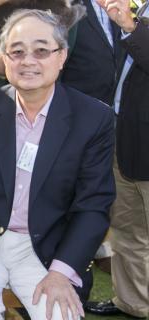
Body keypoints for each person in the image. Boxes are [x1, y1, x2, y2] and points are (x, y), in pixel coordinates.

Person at [0, 9, 116, 320]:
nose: (28, 61)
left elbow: (93, 206)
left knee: (59, 315)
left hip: (48, 248)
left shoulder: (93, 119)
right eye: (17, 52)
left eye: (41, 50)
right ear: (5, 59)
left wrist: (62, 273)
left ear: (62, 56)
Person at [85, 0, 149, 318]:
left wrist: (131, 26)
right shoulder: (137, 8)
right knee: (127, 229)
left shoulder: (132, 19)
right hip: (125, 140)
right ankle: (133, 302)